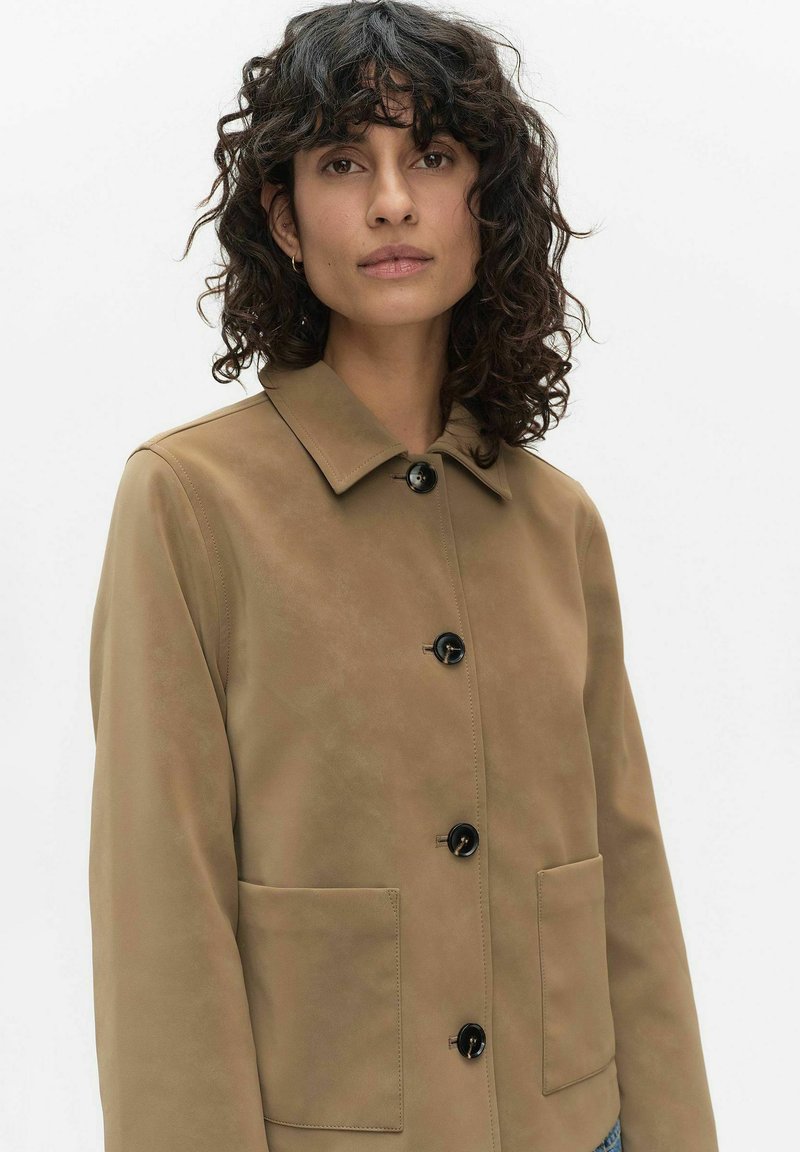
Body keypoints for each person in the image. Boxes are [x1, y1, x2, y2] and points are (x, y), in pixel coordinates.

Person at [87, 3, 719, 1151]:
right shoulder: (189, 503)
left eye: (429, 156)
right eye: (343, 162)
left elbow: (625, 878)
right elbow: (159, 902)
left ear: (487, 204)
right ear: (284, 216)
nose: (390, 201)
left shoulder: (556, 523)